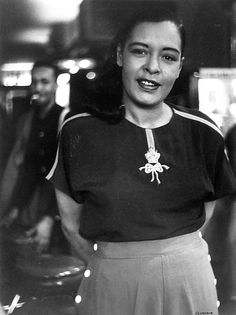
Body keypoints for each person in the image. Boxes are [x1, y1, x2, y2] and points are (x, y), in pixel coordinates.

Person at [46, 9, 236, 315]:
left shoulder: (203, 131)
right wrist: (122, 265)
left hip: (189, 278)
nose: (152, 68)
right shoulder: (80, 130)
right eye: (140, 51)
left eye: (168, 57)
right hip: (112, 279)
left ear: (179, 66)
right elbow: (70, 226)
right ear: (120, 55)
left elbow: (208, 214)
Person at [0, 60, 68, 253]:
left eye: (45, 82)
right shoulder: (29, 120)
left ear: (55, 84)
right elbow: (30, 168)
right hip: (34, 206)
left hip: (58, 210)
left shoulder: (65, 119)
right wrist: (15, 207)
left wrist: (49, 217)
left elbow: (69, 177)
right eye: (35, 81)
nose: (38, 87)